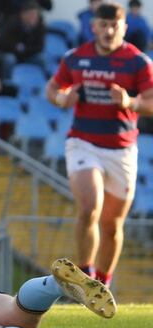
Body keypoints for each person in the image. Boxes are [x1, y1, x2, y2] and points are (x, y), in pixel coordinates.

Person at [45, 2, 153, 288]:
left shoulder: (138, 61)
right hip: (84, 142)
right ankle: (83, 274)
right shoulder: (76, 58)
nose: (108, 31)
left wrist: (130, 102)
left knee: (112, 225)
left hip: (121, 149)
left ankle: (101, 285)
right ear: (93, 27)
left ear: (124, 28)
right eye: (103, 25)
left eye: (114, 26)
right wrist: (61, 99)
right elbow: (52, 89)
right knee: (90, 207)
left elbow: (151, 101)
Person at [0, 0, 46, 69]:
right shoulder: (11, 24)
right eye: (31, 14)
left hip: (28, 55)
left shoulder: (40, 27)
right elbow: (2, 43)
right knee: (9, 59)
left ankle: (47, 78)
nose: (34, 17)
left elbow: (39, 47)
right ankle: (7, 79)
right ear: (23, 15)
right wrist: (16, 48)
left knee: (41, 59)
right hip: (12, 54)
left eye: (36, 15)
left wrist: (24, 49)